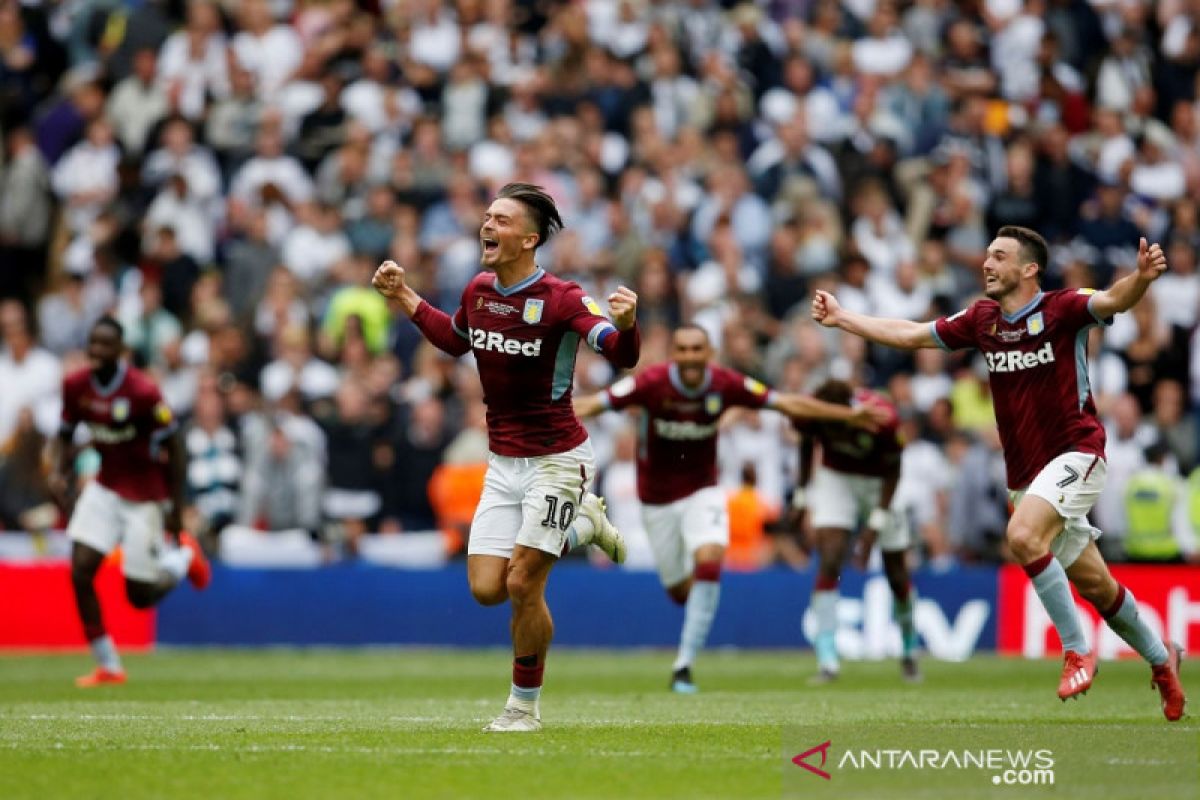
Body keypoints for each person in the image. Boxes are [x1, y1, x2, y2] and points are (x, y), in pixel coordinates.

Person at [812, 225, 1187, 721]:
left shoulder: (1063, 307)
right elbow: (911, 334)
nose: (986, 264)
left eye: (999, 256)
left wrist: (1140, 278)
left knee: (1023, 536)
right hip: (1026, 477)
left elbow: (1115, 299)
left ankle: (1076, 650)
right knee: (1097, 585)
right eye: (987, 255)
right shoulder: (982, 319)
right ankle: (1163, 661)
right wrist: (844, 319)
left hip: (1077, 453)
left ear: (1028, 269)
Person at [371, 183, 640, 732]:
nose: (486, 226)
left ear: (529, 238)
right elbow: (454, 340)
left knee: (523, 584)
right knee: (487, 589)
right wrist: (402, 296)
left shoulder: (563, 298)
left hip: (558, 460)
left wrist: (630, 323)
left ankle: (523, 706)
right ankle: (581, 526)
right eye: (486, 216)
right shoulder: (479, 289)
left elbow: (619, 353)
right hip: (503, 463)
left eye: (500, 219)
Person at [575, 325, 887, 693]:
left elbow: (787, 402)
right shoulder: (651, 383)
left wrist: (846, 415)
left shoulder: (724, 383)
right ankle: (694, 606)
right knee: (678, 592)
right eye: (684, 349)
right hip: (656, 500)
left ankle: (684, 665)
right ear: (674, 354)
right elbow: (591, 404)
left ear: (709, 353)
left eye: (697, 349)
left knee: (710, 559)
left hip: (702, 491)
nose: (691, 356)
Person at [50, 317, 211, 687]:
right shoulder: (75, 386)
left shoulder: (142, 391)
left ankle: (183, 557)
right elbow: (63, 434)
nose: (96, 352)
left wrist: (175, 509)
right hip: (105, 487)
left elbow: (175, 447)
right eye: (92, 344)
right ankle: (108, 664)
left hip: (144, 495)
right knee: (80, 570)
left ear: (120, 351)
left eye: (104, 346)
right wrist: (58, 471)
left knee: (139, 597)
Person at [790, 379, 919, 683]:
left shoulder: (882, 419)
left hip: (881, 484)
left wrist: (874, 526)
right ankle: (827, 660)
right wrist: (801, 493)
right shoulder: (812, 412)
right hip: (838, 478)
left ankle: (910, 649)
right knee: (830, 558)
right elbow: (807, 443)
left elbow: (894, 470)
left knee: (896, 571)